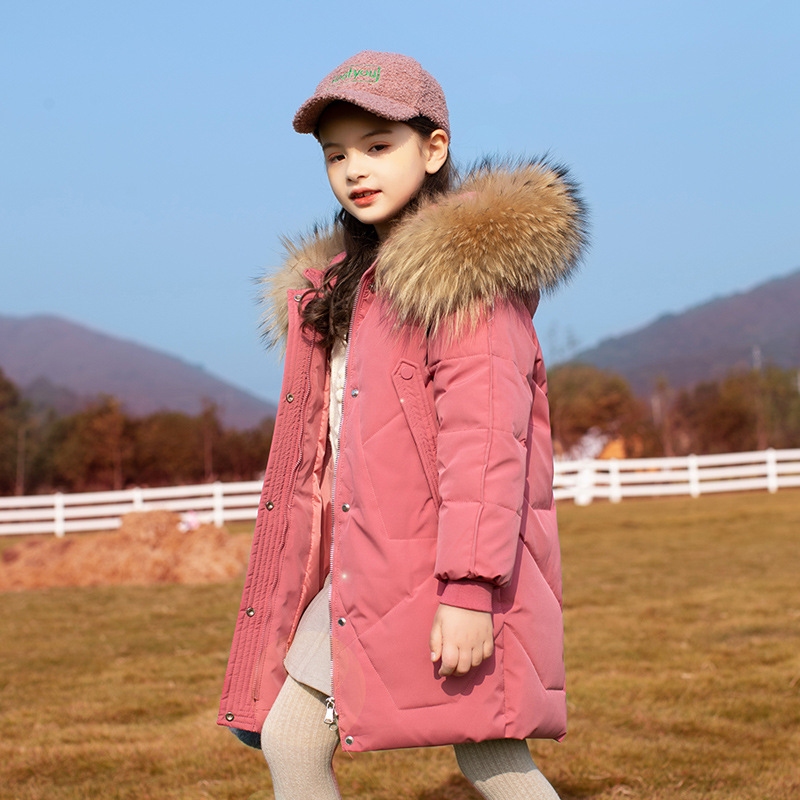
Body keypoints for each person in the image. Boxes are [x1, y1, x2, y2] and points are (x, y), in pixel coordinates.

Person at [218, 50, 588, 799]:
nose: (355, 169)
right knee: (292, 738)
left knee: (492, 755)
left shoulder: (466, 282)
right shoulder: (341, 294)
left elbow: (486, 449)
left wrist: (469, 593)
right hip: (363, 570)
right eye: (336, 155)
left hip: (449, 570)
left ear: (434, 148)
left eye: (378, 146)